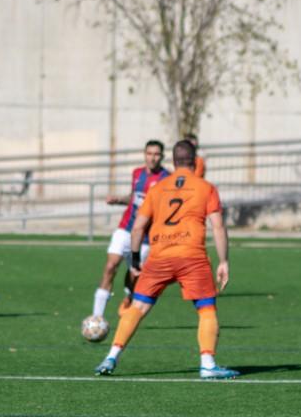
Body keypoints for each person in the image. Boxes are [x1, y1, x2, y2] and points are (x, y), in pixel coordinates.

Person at [95, 139, 238, 379]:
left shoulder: (158, 188)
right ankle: (207, 364)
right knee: (206, 308)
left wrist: (135, 261)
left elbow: (138, 228)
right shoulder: (206, 187)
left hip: (159, 255)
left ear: (173, 160)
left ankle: (111, 357)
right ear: (195, 161)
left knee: (138, 307)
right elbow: (218, 226)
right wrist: (223, 261)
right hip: (191, 256)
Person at [89, 140, 169, 320]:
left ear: (162, 156)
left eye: (156, 154)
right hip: (126, 228)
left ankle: (129, 296)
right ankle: (97, 317)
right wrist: (118, 200)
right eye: (149, 153)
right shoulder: (137, 173)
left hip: (146, 236)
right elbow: (134, 197)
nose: (152, 158)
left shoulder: (166, 179)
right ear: (144, 154)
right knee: (110, 266)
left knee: (135, 274)